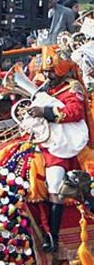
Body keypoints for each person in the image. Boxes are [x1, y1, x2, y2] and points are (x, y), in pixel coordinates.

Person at [26, 48, 88, 252]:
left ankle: (51, 236)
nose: (47, 76)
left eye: (51, 72)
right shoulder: (44, 87)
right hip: (41, 140)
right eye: (46, 71)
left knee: (54, 182)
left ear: (61, 71)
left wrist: (44, 111)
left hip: (62, 146)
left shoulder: (73, 88)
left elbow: (75, 112)